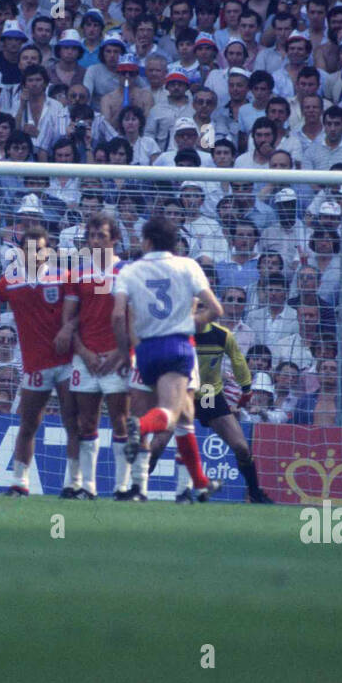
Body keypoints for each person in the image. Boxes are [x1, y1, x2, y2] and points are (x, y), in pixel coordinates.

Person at [115, 215, 225, 503]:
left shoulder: (130, 270)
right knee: (170, 414)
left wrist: (125, 349)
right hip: (177, 347)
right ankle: (140, 429)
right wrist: (191, 323)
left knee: (185, 416)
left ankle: (199, 483)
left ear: (147, 241)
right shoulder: (188, 266)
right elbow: (215, 309)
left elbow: (117, 316)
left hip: (144, 350)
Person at [0, 223, 76, 496]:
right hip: (34, 365)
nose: (34, 253)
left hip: (66, 362)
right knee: (28, 423)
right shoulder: (10, 281)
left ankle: (74, 483)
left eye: (39, 249)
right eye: (28, 249)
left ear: (48, 251)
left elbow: (82, 309)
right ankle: (20, 482)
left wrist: (67, 328)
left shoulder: (63, 277)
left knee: (72, 422)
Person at [60, 212, 130, 500]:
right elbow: (69, 320)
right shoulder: (78, 273)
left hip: (118, 357)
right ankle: (87, 486)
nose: (95, 240)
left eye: (101, 235)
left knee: (121, 421)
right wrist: (84, 352)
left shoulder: (127, 271)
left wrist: (121, 352)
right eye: (91, 236)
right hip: (86, 357)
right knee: (85, 423)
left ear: (114, 238)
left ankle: (122, 487)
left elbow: (133, 319)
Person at [194, 316, 273, 503]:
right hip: (181, 393)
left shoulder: (221, 335)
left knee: (241, 447)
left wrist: (246, 390)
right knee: (160, 442)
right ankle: (135, 486)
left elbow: (238, 361)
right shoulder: (176, 331)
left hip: (207, 394)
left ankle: (255, 493)